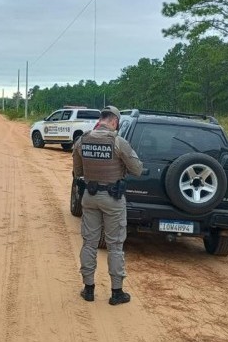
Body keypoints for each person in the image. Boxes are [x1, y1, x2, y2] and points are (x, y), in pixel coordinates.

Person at [72, 105, 143, 305]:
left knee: (89, 242)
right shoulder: (118, 142)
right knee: (115, 245)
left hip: (90, 197)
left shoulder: (82, 139)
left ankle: (88, 289)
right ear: (114, 121)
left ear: (101, 119)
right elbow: (137, 169)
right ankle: (117, 292)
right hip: (113, 199)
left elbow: (77, 172)